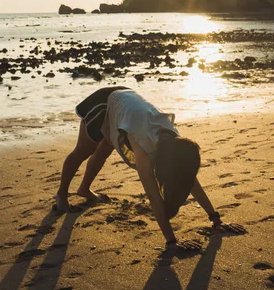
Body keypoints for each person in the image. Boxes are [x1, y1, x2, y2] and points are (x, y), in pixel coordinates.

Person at [56, 86, 246, 250]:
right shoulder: (144, 150)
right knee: (84, 150)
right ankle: (62, 195)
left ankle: (84, 189)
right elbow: (153, 197)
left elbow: (190, 181)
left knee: (105, 149)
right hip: (104, 103)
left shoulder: (176, 143)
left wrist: (216, 220)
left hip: (129, 108)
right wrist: (171, 242)